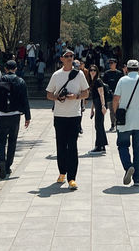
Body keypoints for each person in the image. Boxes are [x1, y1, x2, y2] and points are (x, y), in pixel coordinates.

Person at [46, 47, 89, 190]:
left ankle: (72, 178)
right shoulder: (56, 75)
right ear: (62, 59)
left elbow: (86, 93)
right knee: (61, 145)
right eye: (67, 56)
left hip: (74, 115)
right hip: (59, 115)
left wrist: (76, 96)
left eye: (71, 56)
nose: (70, 58)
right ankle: (62, 172)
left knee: (73, 146)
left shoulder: (79, 74)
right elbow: (48, 94)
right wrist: (57, 97)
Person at [0, 58, 31, 178]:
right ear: (16, 69)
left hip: (2, 115)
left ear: (5, 69)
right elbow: (25, 100)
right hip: (15, 114)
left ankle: (1, 161)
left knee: (1, 140)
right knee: (12, 141)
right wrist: (27, 117)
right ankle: (8, 166)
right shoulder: (20, 81)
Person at [113, 59, 139, 186]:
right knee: (138, 150)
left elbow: (116, 99)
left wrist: (116, 112)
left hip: (125, 120)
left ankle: (128, 166)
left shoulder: (122, 81)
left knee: (122, 145)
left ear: (126, 69)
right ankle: (137, 179)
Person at [87, 65, 108, 153]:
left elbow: (101, 94)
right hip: (97, 104)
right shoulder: (93, 81)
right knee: (98, 125)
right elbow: (94, 97)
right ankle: (102, 145)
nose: (92, 71)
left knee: (99, 125)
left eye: (94, 70)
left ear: (97, 71)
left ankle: (99, 146)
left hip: (100, 105)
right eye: (91, 70)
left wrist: (103, 106)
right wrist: (92, 110)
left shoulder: (98, 81)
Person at [102, 58, 122, 132]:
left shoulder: (119, 73)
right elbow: (104, 84)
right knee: (112, 110)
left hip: (118, 94)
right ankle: (112, 124)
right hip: (110, 95)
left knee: (118, 110)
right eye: (109, 63)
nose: (111, 64)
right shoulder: (106, 73)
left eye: (112, 63)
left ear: (115, 64)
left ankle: (118, 124)